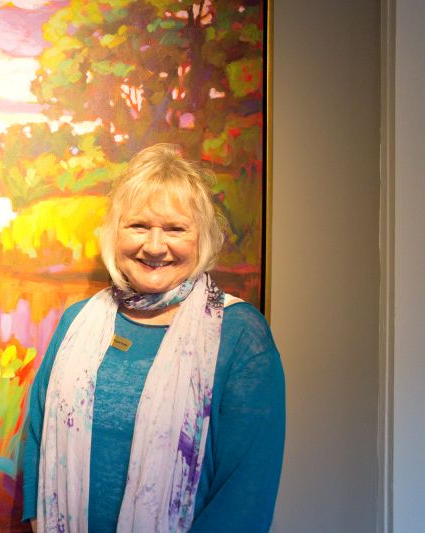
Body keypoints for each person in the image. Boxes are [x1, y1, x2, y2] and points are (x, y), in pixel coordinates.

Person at [22, 143, 285, 532]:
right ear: (115, 232)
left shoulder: (241, 336)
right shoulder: (78, 321)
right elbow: (38, 436)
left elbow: (245, 496)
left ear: (203, 238)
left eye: (175, 228)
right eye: (139, 226)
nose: (155, 246)